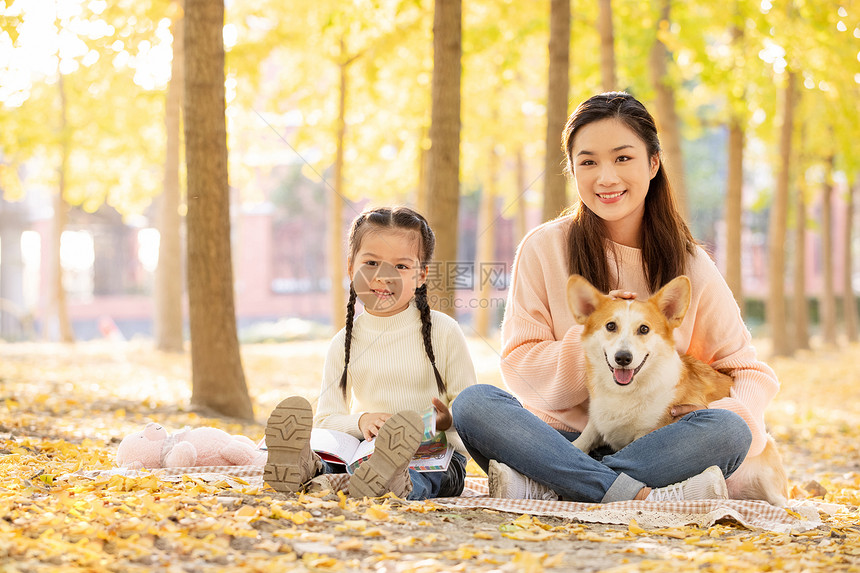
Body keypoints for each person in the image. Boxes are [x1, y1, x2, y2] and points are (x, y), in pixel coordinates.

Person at [452, 91, 779, 503]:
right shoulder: (543, 247)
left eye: (623, 158)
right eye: (588, 162)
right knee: (475, 403)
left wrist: (734, 414)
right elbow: (519, 367)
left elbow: (749, 370)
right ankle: (630, 492)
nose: (605, 178)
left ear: (653, 163)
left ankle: (553, 486)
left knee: (730, 431)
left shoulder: (690, 264)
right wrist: (594, 335)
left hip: (654, 442)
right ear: (572, 170)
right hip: (559, 440)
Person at [264, 206, 477, 500]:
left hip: (437, 457)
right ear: (351, 268)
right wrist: (362, 421)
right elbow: (326, 418)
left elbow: (471, 408)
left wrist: (443, 421)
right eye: (372, 263)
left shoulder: (444, 331)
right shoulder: (343, 343)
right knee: (342, 464)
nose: (383, 277)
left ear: (421, 275)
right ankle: (305, 468)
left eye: (401, 267)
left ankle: (392, 484)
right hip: (367, 452)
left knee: (422, 476)